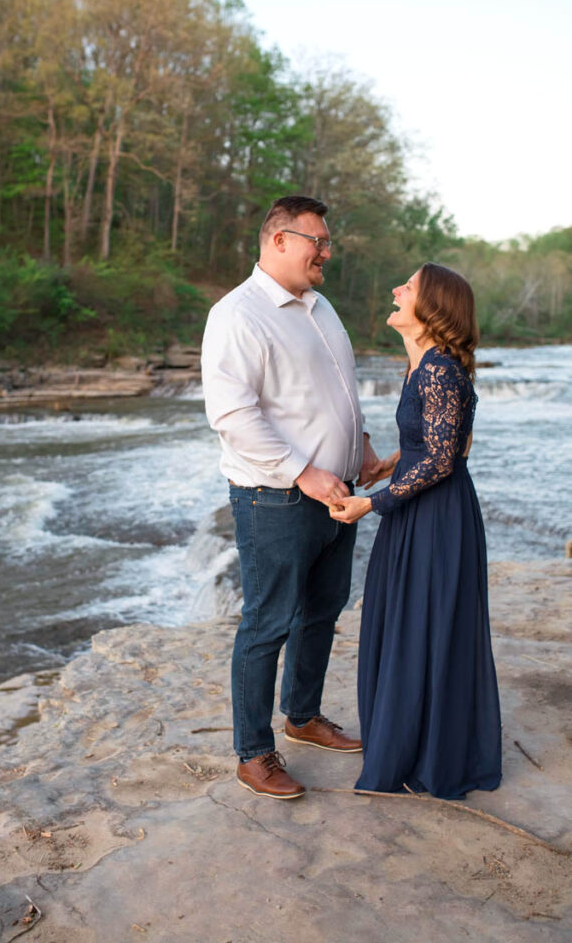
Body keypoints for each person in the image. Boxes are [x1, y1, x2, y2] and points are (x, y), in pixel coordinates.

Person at [201, 195, 379, 800]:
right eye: (317, 241)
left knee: (322, 613)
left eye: (328, 242)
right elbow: (232, 415)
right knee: (268, 623)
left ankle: (302, 717)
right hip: (275, 498)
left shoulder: (319, 305)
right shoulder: (237, 314)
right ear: (278, 240)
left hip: (339, 492)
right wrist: (306, 473)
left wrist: (361, 447)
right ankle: (254, 753)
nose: (326, 252)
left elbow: (336, 391)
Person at [330, 262, 502, 799]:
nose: (394, 289)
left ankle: (427, 755)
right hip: (414, 508)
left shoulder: (439, 371)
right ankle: (407, 742)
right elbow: (428, 443)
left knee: (424, 625)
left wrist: (370, 503)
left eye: (407, 286)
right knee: (408, 622)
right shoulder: (420, 366)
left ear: (431, 311)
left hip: (436, 517)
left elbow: (445, 461)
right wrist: (387, 465)